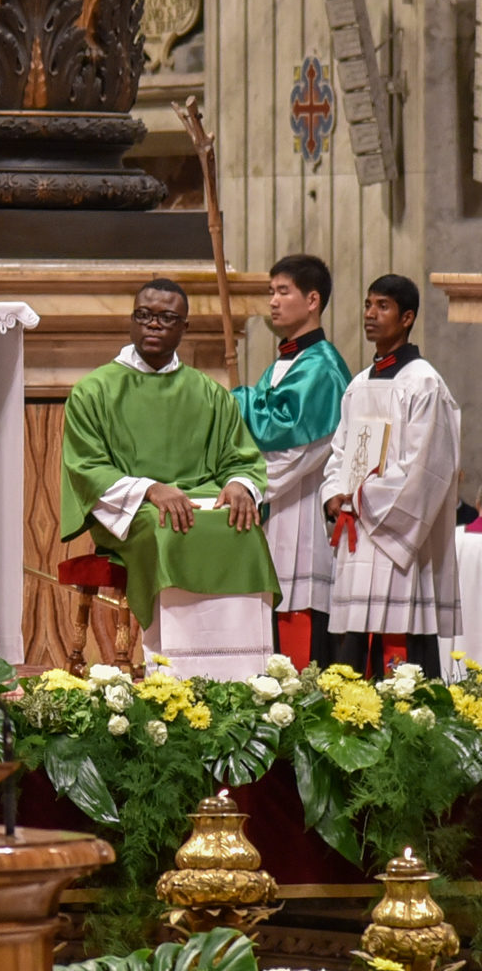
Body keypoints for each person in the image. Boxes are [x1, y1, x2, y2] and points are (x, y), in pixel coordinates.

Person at [59, 278, 280, 678]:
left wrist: (239, 485)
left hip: (202, 502)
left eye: (166, 318)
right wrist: (150, 489)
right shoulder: (94, 391)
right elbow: (87, 466)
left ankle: (245, 674)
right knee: (169, 526)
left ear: (185, 328)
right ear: (131, 321)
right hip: (134, 512)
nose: (154, 325)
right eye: (144, 315)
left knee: (244, 526)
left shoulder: (208, 393)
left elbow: (242, 458)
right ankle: (175, 672)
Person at [322, 274, 461, 677]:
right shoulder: (359, 384)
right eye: (368, 304)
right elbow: (339, 451)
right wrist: (334, 493)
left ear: (407, 317)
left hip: (395, 539)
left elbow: (425, 469)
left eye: (382, 306)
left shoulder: (424, 383)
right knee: (351, 649)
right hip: (355, 532)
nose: (370, 313)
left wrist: (362, 500)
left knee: (398, 645)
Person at [231, 254, 350, 666]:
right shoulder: (284, 362)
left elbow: (300, 453)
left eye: (284, 291)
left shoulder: (323, 369)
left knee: (300, 638)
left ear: (312, 299)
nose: (274, 302)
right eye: (271, 292)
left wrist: (247, 483)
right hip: (273, 512)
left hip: (301, 516)